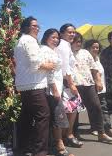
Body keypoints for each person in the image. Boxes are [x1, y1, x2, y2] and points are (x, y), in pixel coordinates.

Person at [14, 16, 55, 156]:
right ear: (26, 27)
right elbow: (35, 64)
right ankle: (40, 152)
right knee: (43, 117)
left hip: (26, 85)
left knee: (26, 117)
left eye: (38, 26)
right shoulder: (29, 40)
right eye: (34, 26)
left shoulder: (21, 41)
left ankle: (23, 149)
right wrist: (49, 65)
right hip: (34, 85)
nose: (37, 28)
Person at [71, 32, 112, 143]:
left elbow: (94, 68)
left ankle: (101, 133)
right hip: (74, 85)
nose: (78, 44)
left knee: (97, 107)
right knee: (75, 111)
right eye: (75, 41)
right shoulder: (67, 52)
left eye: (80, 41)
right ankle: (74, 134)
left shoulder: (85, 52)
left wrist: (98, 81)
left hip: (88, 84)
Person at [41, 28, 74, 156]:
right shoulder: (45, 50)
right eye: (53, 37)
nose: (56, 40)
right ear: (46, 37)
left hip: (57, 88)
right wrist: (54, 89)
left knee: (56, 117)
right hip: (51, 90)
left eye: (57, 38)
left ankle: (56, 145)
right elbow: (49, 72)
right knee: (58, 116)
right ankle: (60, 147)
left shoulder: (53, 50)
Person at [84, 39, 112, 138]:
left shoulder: (97, 58)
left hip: (101, 88)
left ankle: (105, 128)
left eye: (97, 47)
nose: (96, 49)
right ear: (87, 48)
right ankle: (101, 128)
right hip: (92, 88)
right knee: (95, 108)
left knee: (102, 108)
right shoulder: (86, 59)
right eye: (93, 47)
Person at [56, 24, 83, 148]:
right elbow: (65, 67)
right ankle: (65, 137)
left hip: (66, 83)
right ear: (61, 33)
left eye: (73, 32)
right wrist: (71, 84)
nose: (72, 34)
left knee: (71, 110)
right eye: (69, 32)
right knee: (68, 111)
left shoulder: (65, 45)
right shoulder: (63, 45)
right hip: (65, 84)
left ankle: (67, 135)